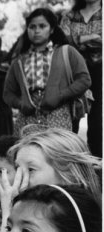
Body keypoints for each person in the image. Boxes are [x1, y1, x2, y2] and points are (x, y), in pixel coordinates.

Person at [3, 8, 91, 137]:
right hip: (27, 121)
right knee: (29, 154)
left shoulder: (67, 52)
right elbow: (8, 93)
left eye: (42, 26)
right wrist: (21, 103)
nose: (36, 30)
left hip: (58, 115)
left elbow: (84, 79)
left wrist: (60, 95)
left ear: (52, 29)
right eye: (32, 27)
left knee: (56, 152)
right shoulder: (19, 60)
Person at [60, 0, 102, 156]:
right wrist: (94, 36)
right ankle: (68, 161)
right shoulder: (69, 16)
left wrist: (79, 39)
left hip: (100, 71)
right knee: (71, 117)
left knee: (98, 120)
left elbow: (73, 40)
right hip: (74, 69)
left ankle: (98, 163)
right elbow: (65, 41)